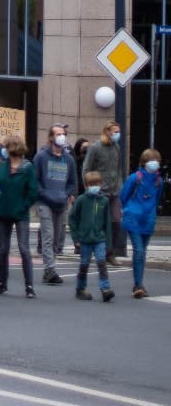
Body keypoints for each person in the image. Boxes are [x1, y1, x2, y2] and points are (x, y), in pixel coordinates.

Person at [32, 124, 77, 285]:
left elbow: (72, 182)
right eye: (58, 134)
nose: (61, 136)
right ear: (51, 137)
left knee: (57, 238)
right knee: (48, 235)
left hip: (61, 203)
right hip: (44, 202)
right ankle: (50, 270)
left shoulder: (69, 159)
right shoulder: (41, 157)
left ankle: (49, 269)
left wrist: (66, 194)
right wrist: (43, 194)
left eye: (63, 133)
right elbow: (35, 179)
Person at [0, 137, 39, 298]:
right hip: (2, 212)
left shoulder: (27, 167)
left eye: (6, 147)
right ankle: (2, 283)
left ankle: (29, 286)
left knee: (23, 248)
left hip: (20, 213)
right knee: (3, 249)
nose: (4, 150)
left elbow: (33, 191)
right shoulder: (2, 166)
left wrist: (23, 207)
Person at [119, 149, 162, 299]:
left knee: (142, 252)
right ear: (144, 162)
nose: (155, 163)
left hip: (148, 219)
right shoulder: (135, 177)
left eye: (157, 160)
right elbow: (123, 196)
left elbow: (156, 199)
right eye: (152, 160)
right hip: (134, 219)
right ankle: (138, 285)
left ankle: (139, 283)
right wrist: (128, 210)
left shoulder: (158, 181)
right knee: (138, 251)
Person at [83, 121, 125, 263]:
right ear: (107, 131)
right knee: (98, 222)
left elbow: (119, 169)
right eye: (115, 131)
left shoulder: (117, 147)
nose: (118, 134)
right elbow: (86, 168)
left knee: (116, 222)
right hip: (99, 192)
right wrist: (88, 188)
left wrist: (120, 185)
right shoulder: (96, 147)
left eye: (119, 131)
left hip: (114, 191)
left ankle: (110, 252)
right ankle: (95, 250)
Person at [69, 171, 114, 302]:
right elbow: (72, 218)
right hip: (84, 239)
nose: (95, 186)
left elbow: (107, 223)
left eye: (97, 184)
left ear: (101, 184)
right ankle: (80, 289)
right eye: (91, 184)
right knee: (84, 264)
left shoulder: (104, 201)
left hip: (99, 238)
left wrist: (108, 243)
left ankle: (105, 289)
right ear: (86, 185)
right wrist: (76, 237)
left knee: (101, 263)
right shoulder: (81, 200)